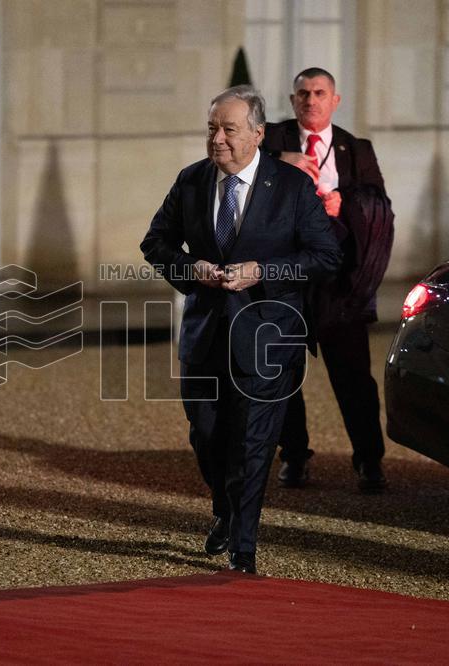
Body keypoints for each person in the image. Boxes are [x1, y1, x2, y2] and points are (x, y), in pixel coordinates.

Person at [141, 86, 341, 574]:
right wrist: (191, 269)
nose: (217, 139)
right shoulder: (191, 180)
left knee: (252, 444)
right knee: (206, 435)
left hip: (269, 338)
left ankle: (243, 548)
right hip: (205, 335)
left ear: (258, 134)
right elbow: (156, 243)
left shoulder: (291, 187)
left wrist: (263, 272)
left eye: (229, 130)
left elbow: (325, 257)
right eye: (212, 128)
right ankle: (226, 511)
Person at [261, 68, 394, 493]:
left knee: (354, 378)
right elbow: (233, 167)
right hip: (285, 278)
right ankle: (294, 456)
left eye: (319, 93)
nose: (310, 100)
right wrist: (279, 162)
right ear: (292, 99)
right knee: (282, 374)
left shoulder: (356, 148)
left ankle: (369, 460)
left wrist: (344, 202)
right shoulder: (272, 138)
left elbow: (379, 202)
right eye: (303, 93)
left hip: (339, 283)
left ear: (335, 100)